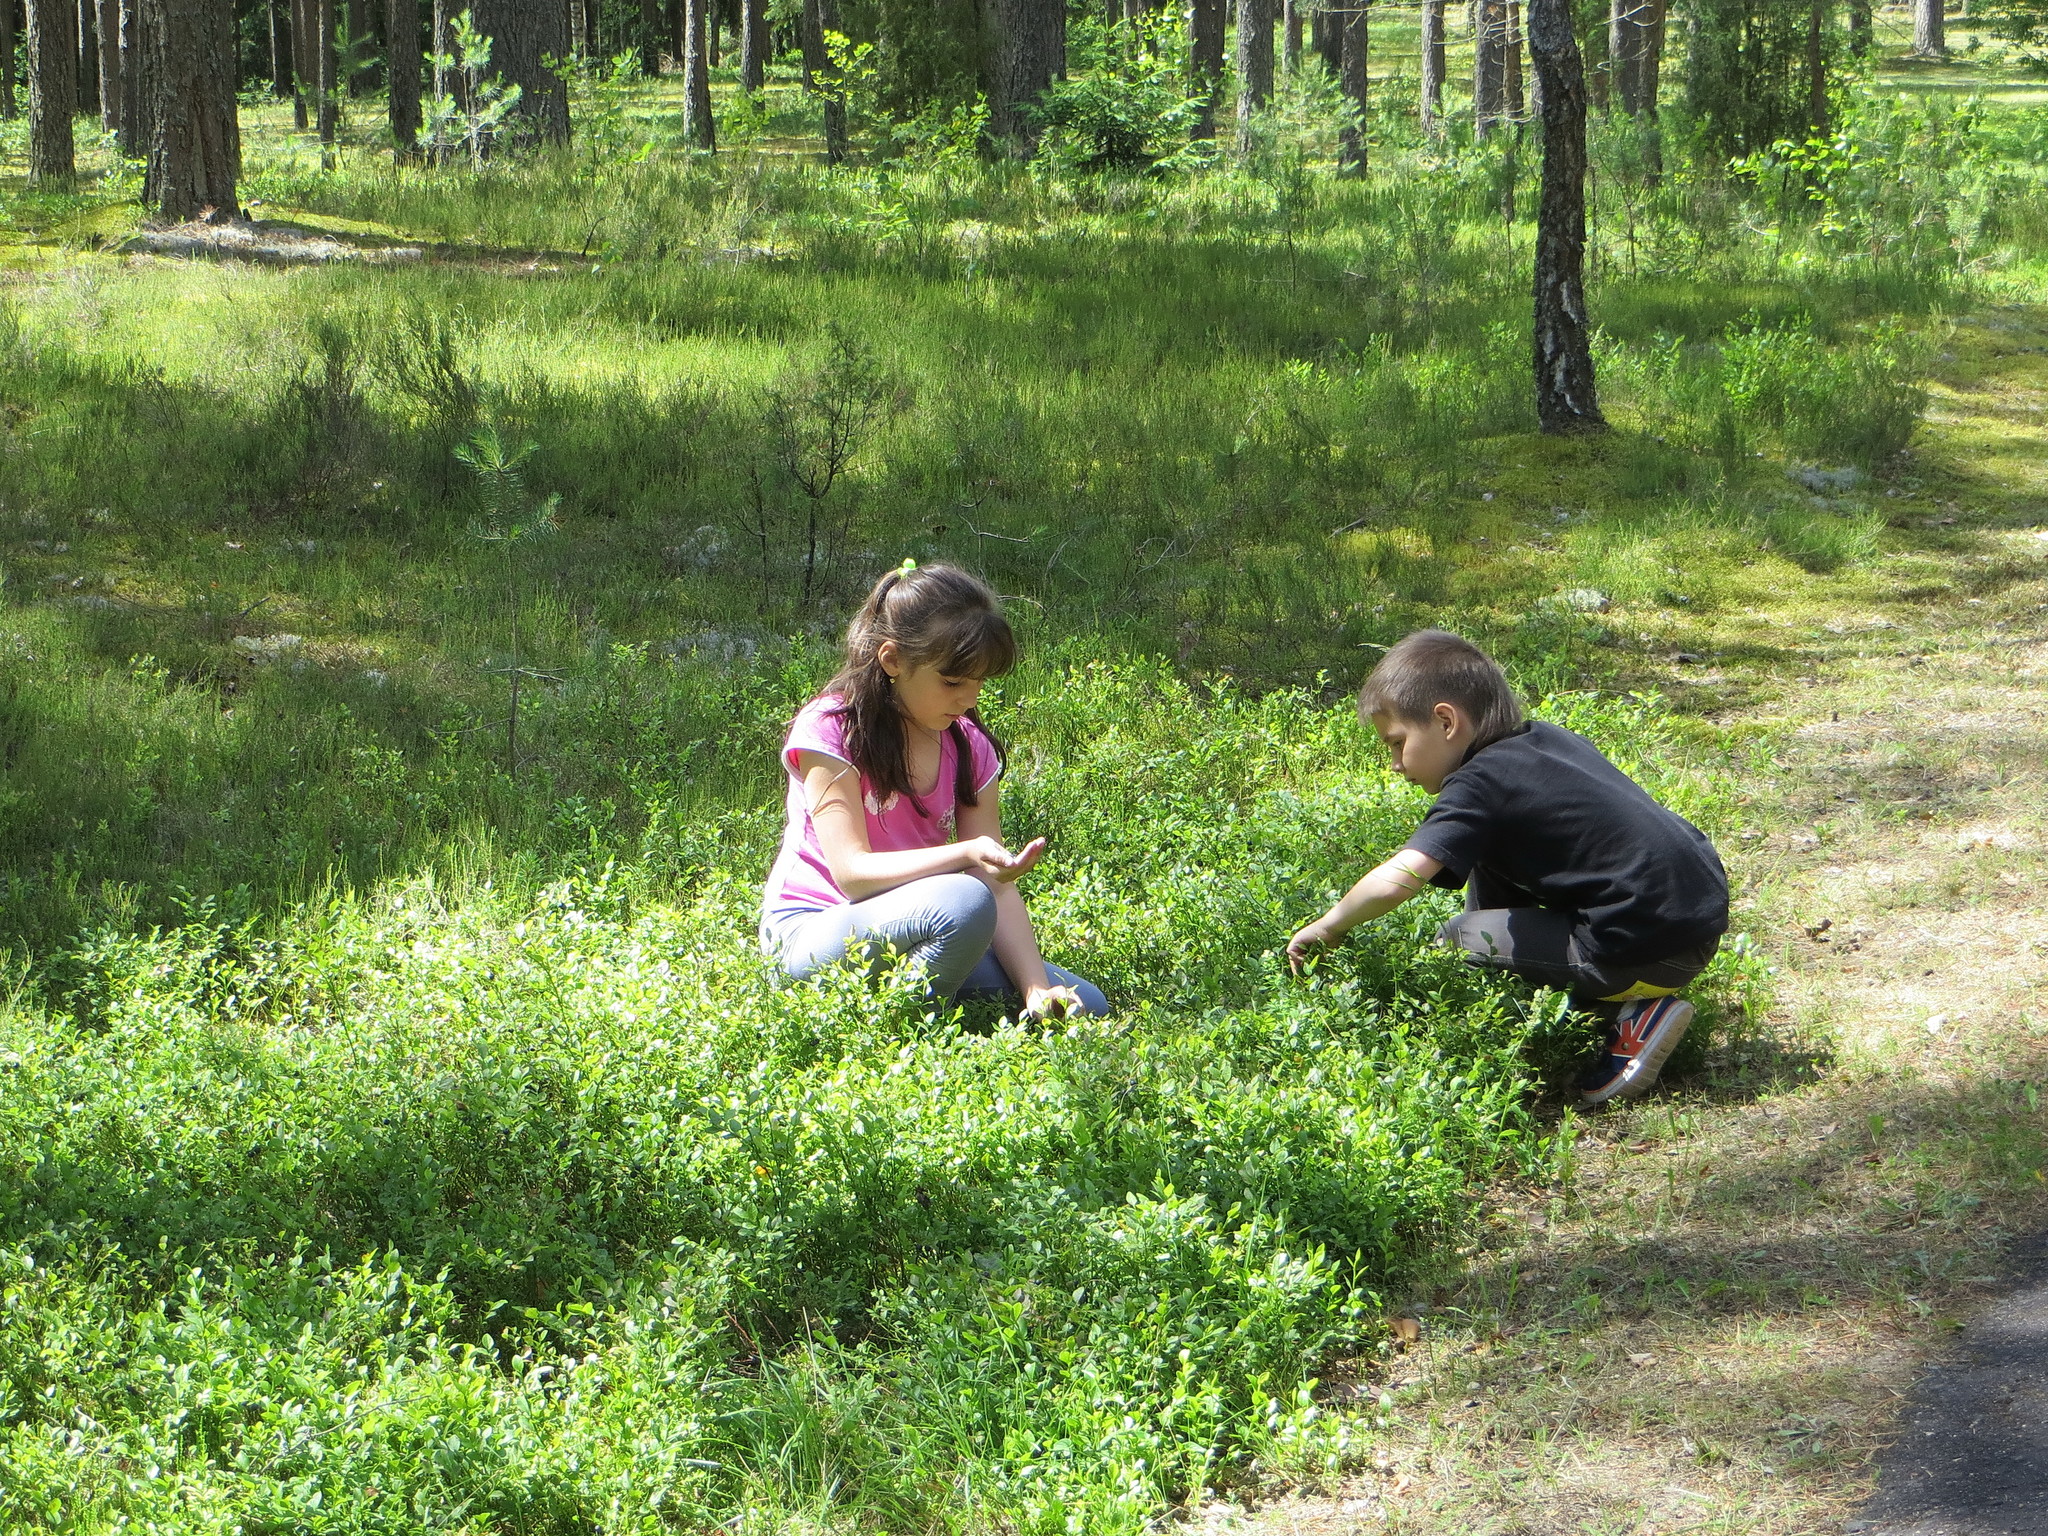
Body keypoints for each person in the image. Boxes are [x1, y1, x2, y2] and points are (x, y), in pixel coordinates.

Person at [1285, 630, 1728, 1105]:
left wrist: (1329, 926)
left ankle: (1625, 1019)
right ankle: (1552, 1006)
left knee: (1458, 936)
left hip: (1640, 948)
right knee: (1485, 855)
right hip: (1698, 924)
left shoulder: (1479, 785)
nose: (1394, 763)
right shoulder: (1544, 740)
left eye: (1397, 743)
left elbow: (1403, 876)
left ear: (1445, 721)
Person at [760, 560, 1107, 1019]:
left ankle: (908, 1001)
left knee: (1088, 1004)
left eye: (980, 682)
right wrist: (965, 855)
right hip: (812, 934)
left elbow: (996, 886)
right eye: (952, 682)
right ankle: (900, 1031)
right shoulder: (832, 730)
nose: (970, 699)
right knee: (962, 902)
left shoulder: (968, 747)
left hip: (921, 925)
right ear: (893, 660)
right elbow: (852, 873)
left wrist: (1036, 990)